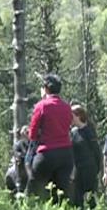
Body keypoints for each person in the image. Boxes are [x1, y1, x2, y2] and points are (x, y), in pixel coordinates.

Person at [26, 74, 74, 202]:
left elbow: (32, 134)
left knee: (34, 189)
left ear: (46, 89)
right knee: (62, 193)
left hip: (46, 153)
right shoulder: (67, 107)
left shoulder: (42, 106)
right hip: (66, 153)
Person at [69, 105, 101, 208]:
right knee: (77, 197)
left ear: (78, 116)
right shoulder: (73, 132)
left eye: (71, 116)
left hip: (89, 168)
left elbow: (97, 151)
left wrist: (97, 169)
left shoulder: (89, 131)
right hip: (77, 169)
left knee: (90, 196)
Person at [5, 126, 30, 193]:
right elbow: (18, 155)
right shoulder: (18, 144)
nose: (27, 134)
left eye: (28, 132)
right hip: (22, 169)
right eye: (25, 132)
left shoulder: (32, 143)